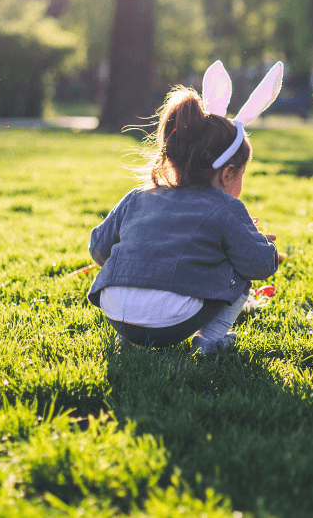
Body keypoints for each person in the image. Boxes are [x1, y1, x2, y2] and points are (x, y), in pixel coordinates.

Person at [87, 61, 283, 354]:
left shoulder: (138, 197)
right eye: (241, 175)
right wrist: (258, 241)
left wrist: (137, 269)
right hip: (173, 320)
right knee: (239, 269)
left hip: (114, 311)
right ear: (228, 174)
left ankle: (129, 336)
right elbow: (259, 265)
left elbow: (98, 248)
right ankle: (210, 339)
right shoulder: (226, 207)